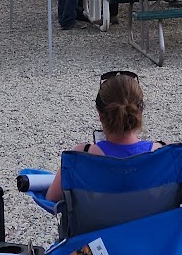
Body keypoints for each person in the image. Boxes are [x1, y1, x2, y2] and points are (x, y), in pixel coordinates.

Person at [44, 70, 164, 202]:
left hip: (97, 223)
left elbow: (52, 198)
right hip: (154, 223)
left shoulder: (81, 156)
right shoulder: (164, 154)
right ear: (140, 111)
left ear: (100, 116)